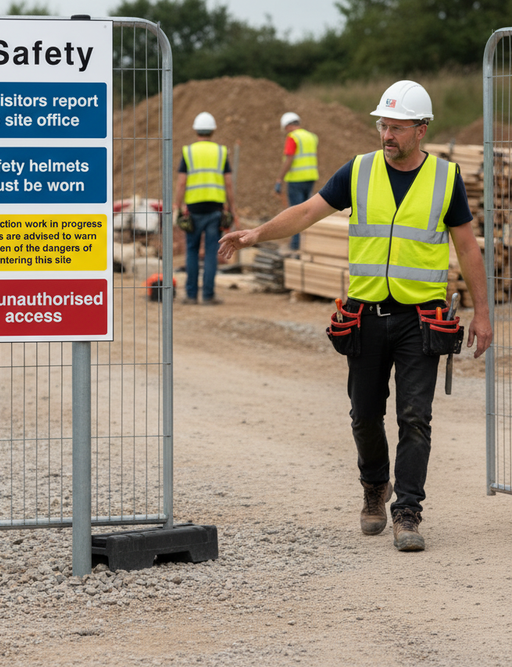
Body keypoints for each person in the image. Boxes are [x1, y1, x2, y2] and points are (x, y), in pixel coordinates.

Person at [219, 80, 493, 552]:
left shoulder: (446, 180)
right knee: (364, 414)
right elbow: (307, 212)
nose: (386, 134)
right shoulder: (359, 171)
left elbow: (467, 246)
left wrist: (484, 314)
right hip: (365, 315)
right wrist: (256, 235)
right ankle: (374, 486)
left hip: (420, 318)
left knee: (415, 417)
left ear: (421, 130)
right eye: (383, 124)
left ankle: (407, 510)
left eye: (397, 127)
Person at [176, 111, 236, 305]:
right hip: (215, 209)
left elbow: (181, 183)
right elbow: (228, 184)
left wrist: (177, 207)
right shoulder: (221, 152)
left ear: (195, 130)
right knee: (211, 252)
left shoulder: (188, 152)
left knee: (191, 251)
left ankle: (191, 295)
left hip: (193, 209)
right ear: (213, 130)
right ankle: (208, 295)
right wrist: (232, 209)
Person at [274, 112, 319, 251]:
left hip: (296, 180)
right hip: (310, 177)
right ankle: (305, 244)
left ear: (288, 126)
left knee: (296, 214)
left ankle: (295, 245)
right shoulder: (311, 137)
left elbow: (289, 159)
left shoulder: (293, 137)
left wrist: (279, 179)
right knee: (307, 212)